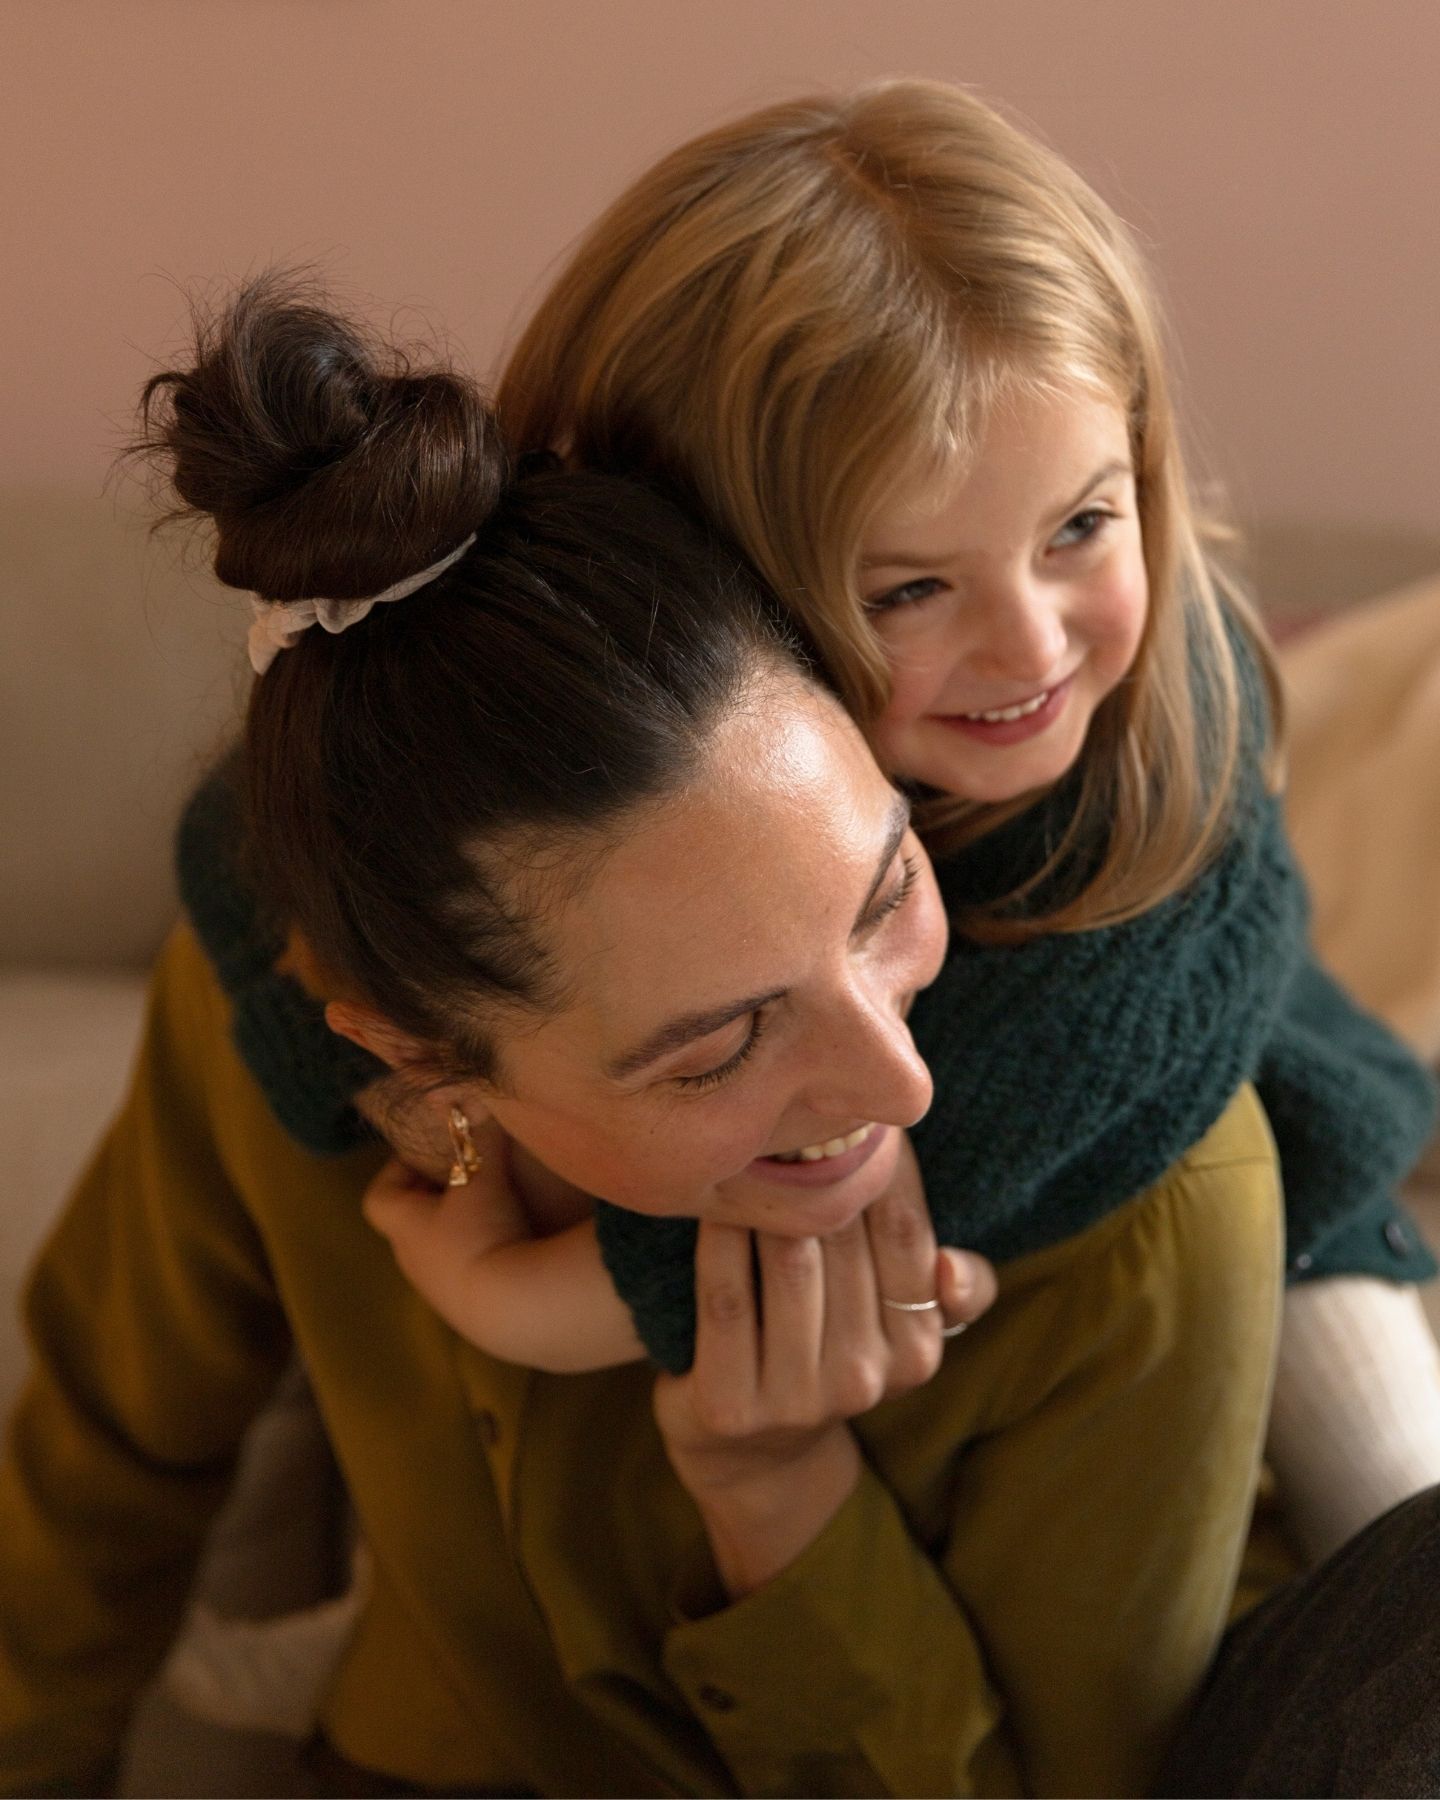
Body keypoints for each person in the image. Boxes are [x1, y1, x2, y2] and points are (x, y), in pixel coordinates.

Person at [0, 281, 1286, 1799]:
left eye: (885, 897)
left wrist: (780, 1505)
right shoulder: (260, 1033)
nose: (905, 1080)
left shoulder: (1158, 1228)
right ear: (421, 1058)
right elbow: (99, 1479)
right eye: (718, 1045)